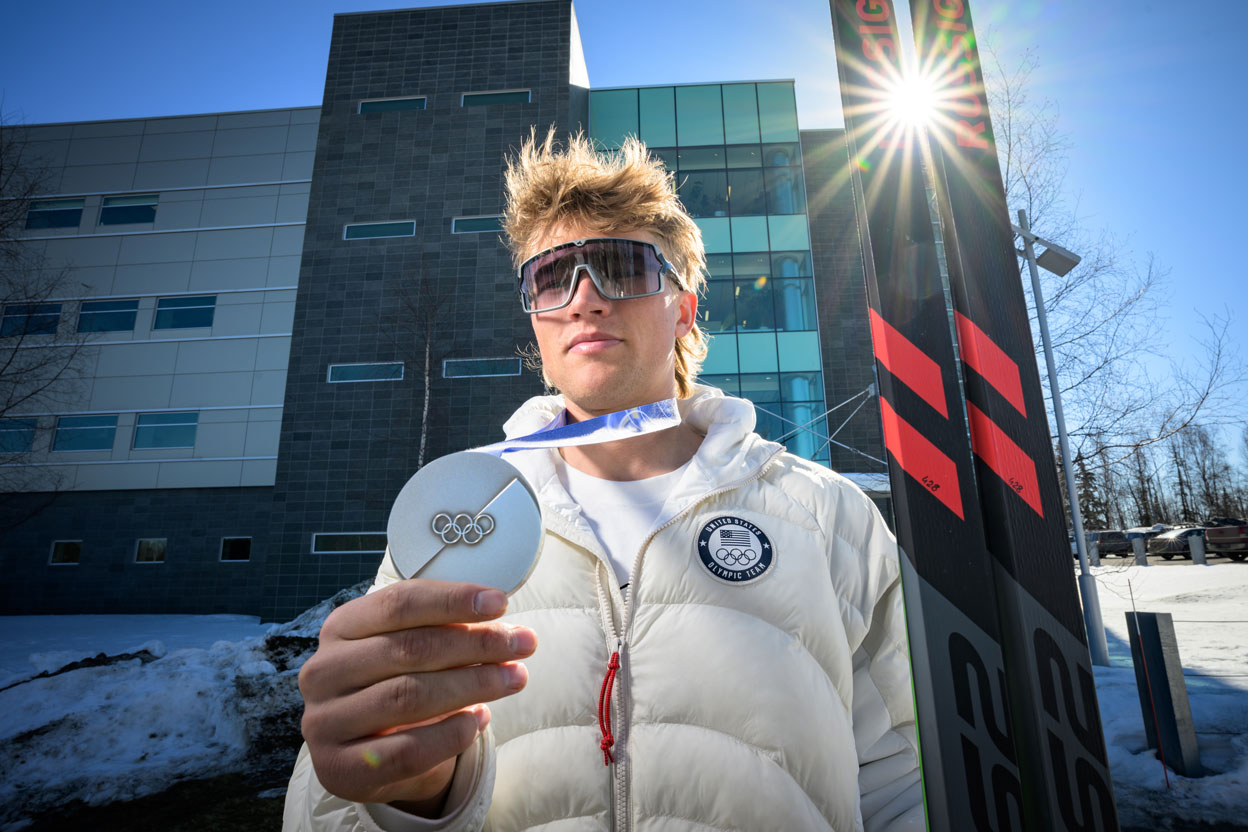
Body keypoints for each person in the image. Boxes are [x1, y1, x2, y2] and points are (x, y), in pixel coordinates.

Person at [284, 131, 923, 831]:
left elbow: (911, 784)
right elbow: (340, 800)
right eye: (553, 277)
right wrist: (411, 795)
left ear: (683, 310)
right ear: (535, 318)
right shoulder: (457, 514)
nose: (585, 299)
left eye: (621, 266)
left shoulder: (828, 515)